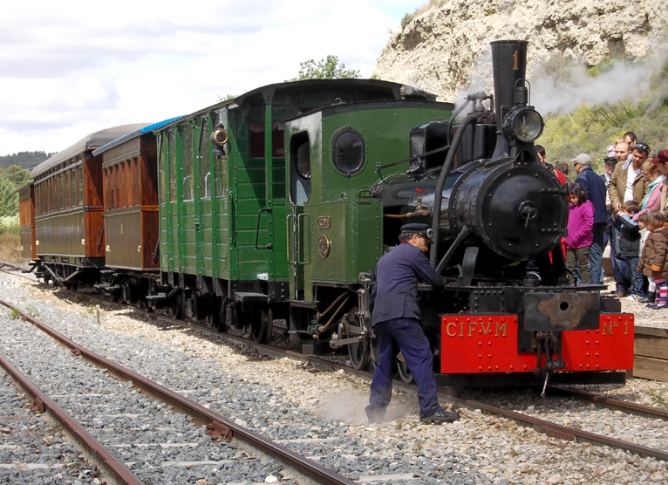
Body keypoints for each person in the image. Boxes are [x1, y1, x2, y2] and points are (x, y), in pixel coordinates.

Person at [366, 223, 459, 425]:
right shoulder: (413, 254)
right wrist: (449, 282)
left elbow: (374, 292)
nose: (426, 248)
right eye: (426, 242)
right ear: (415, 237)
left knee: (385, 362)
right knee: (422, 355)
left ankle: (375, 410)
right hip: (402, 313)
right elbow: (436, 280)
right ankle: (430, 409)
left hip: (381, 315)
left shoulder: (385, 258)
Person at [573, 154, 607, 284]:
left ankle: (583, 283)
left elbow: (579, 199)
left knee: (580, 253)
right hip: (600, 219)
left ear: (579, 165)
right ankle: (595, 283)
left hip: (586, 221)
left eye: (575, 165)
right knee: (596, 253)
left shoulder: (581, 178)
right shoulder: (599, 179)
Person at [637, 210, 668, 309]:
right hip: (654, 264)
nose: (646, 227)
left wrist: (657, 265)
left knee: (661, 283)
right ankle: (657, 300)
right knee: (658, 283)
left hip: (659, 265)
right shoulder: (654, 233)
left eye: (648, 224)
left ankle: (663, 301)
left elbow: (660, 251)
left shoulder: (658, 235)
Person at [564, 183, 594, 284]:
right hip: (571, 243)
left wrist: (577, 235)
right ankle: (571, 287)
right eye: (570, 198)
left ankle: (586, 288)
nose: (572, 200)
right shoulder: (571, 209)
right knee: (569, 267)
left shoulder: (586, 207)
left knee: (583, 266)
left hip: (582, 243)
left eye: (574, 197)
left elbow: (588, 225)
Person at [615, 200, 643, 299]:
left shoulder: (634, 222)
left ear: (631, 213)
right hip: (627, 251)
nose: (622, 213)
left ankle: (638, 292)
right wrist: (618, 217)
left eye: (624, 211)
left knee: (636, 274)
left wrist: (623, 217)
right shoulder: (625, 221)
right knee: (631, 274)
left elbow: (632, 227)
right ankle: (633, 290)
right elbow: (618, 227)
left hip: (634, 252)